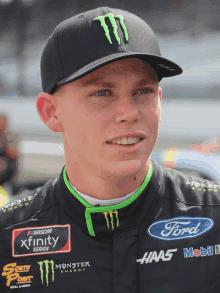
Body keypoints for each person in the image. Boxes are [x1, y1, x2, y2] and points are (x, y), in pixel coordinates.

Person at [0, 7, 220, 293]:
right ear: (50, 112)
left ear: (160, 99)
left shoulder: (214, 219)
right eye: (102, 93)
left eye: (143, 91)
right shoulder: (8, 236)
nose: (128, 113)